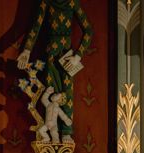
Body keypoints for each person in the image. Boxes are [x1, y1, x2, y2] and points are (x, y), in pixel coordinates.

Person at [16, 0, 92, 144]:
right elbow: (35, 27)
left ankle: (66, 132)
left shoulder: (72, 2)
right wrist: (27, 50)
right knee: (50, 93)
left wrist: (77, 56)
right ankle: (53, 134)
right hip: (50, 56)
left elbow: (88, 30)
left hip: (67, 56)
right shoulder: (46, 1)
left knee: (67, 92)